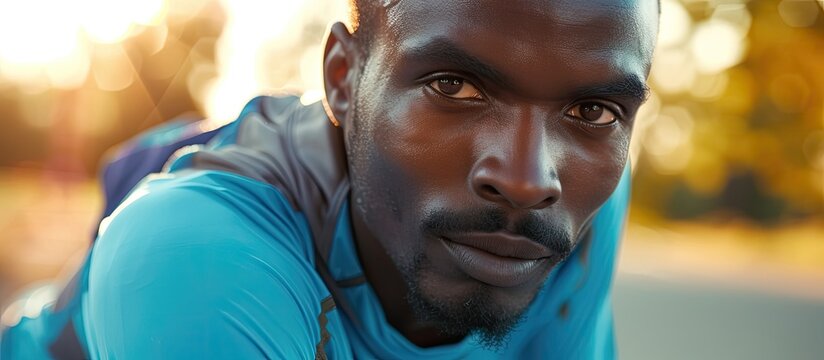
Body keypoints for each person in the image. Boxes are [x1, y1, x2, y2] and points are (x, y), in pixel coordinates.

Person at [0, 0, 659, 358]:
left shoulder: (574, 203)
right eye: (453, 85)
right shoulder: (197, 257)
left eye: (591, 110)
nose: (526, 179)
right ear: (343, 80)